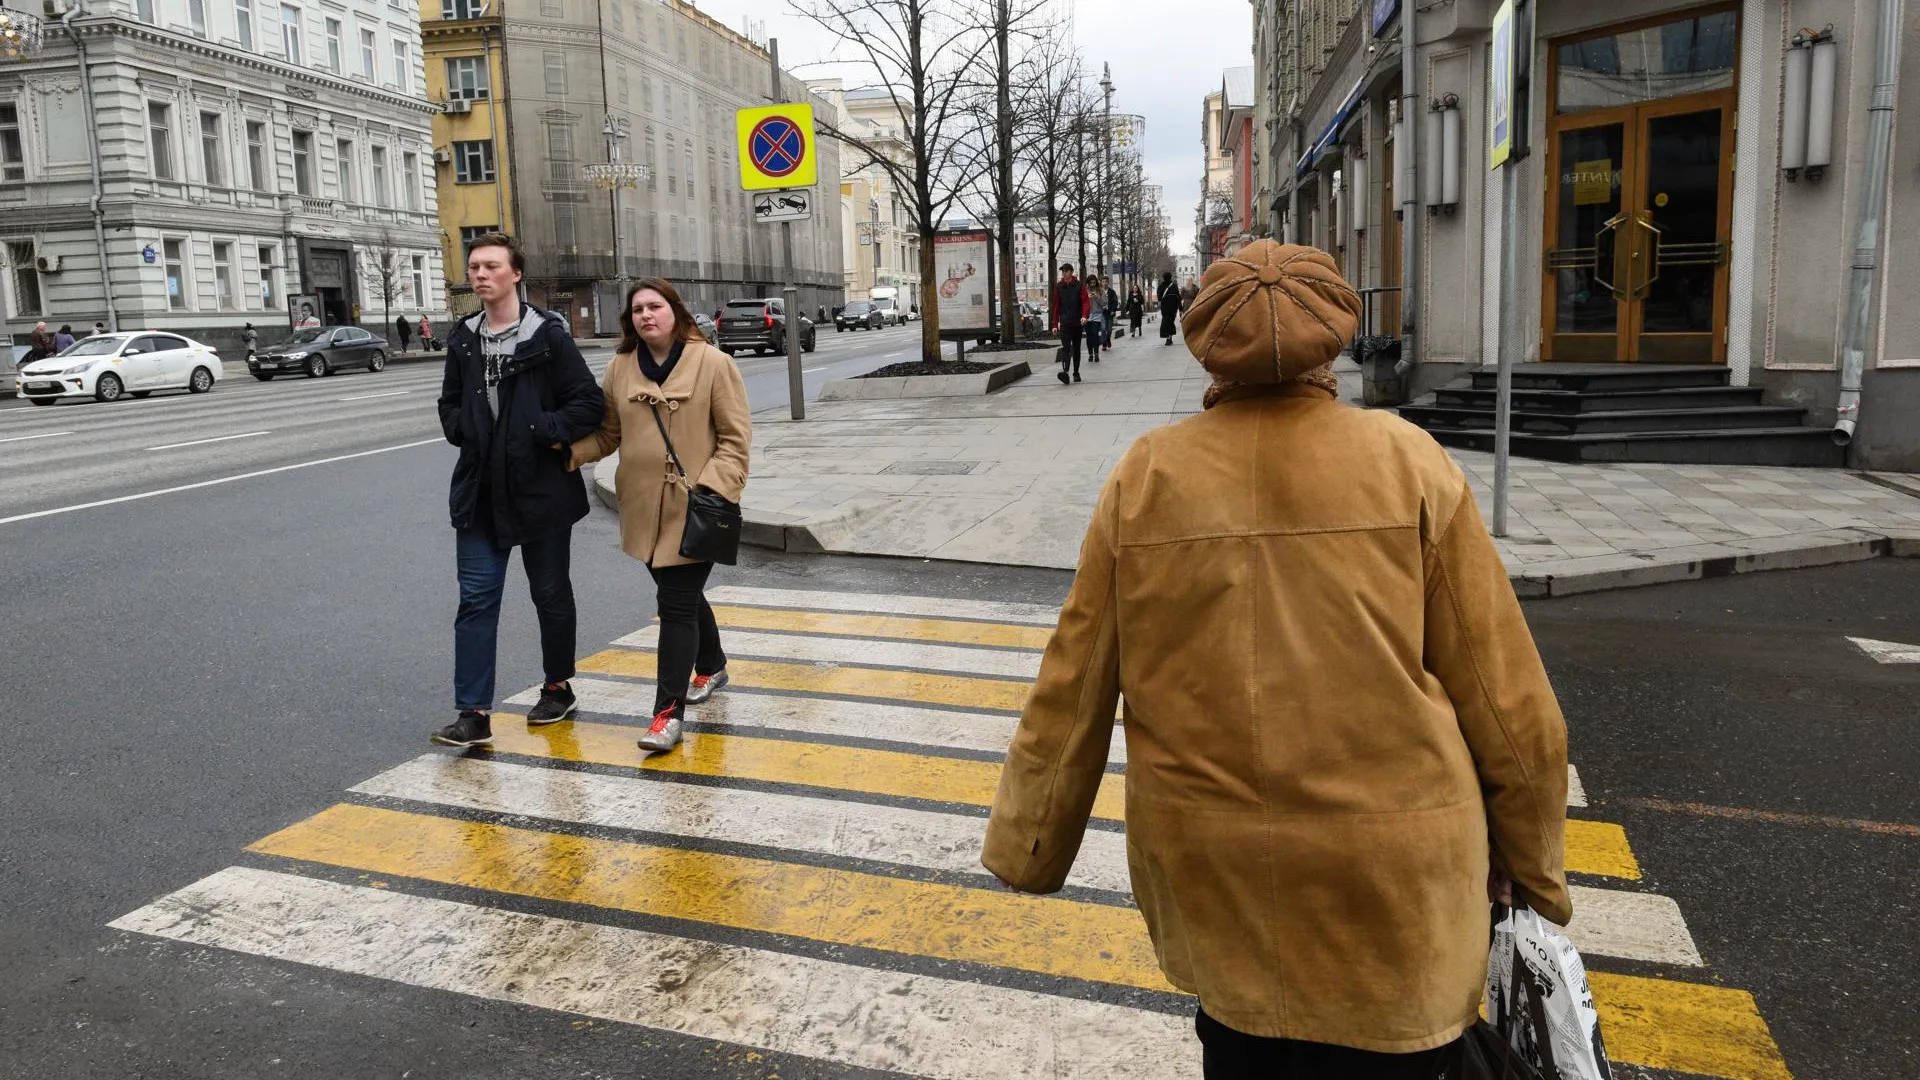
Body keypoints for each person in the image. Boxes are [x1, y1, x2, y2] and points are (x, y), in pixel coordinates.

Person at [983, 239, 1570, 1079]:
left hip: (1218, 878)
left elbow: (1072, 686)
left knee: (1242, 1049)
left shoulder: (1145, 478)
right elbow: (1508, 701)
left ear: (1206, 342)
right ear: (1331, 334)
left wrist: (1030, 844)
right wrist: (1532, 864)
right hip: (1394, 884)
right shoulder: (1408, 464)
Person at [430, 233, 606, 749]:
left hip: (540, 491)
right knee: (476, 601)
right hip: (480, 492)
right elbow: (449, 403)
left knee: (549, 593)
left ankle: (557, 686)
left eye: (490, 266)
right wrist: (465, 428)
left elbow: (587, 404)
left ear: (515, 274)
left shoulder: (547, 335)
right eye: (474, 267)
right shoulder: (464, 337)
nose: (480, 274)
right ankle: (473, 714)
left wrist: (539, 430)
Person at [569, 278, 751, 753]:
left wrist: (712, 490)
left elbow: (735, 441)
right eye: (637, 310)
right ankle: (711, 664)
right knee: (680, 597)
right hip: (642, 506)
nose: (646, 315)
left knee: (674, 604)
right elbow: (609, 435)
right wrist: (567, 455)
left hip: (696, 509)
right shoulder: (620, 367)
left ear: (675, 311)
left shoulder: (714, 364)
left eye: (655, 306)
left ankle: (666, 716)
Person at [1050, 263, 1090, 385]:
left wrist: (1084, 316)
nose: (1064, 273)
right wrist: (1054, 324)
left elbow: (1085, 302)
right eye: (1063, 271)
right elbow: (1056, 306)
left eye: (1066, 271)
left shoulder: (1079, 286)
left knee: (1076, 348)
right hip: (1065, 322)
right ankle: (1065, 372)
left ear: (1071, 272)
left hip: (1077, 322)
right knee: (1066, 347)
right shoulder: (1059, 287)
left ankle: (1076, 372)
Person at [1082, 275, 1106, 363]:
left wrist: (1096, 297)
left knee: (1095, 334)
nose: (1092, 284)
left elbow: (1104, 303)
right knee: (1089, 336)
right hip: (1087, 315)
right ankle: (1090, 354)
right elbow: (1081, 302)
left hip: (1097, 315)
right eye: (1091, 283)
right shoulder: (1084, 290)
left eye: (1094, 282)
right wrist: (1086, 298)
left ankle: (1096, 354)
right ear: (1088, 283)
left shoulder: (1100, 291)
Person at [1157, 271, 1182, 345]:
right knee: (1171, 321)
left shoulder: (1161, 286)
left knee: (1166, 321)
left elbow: (1159, 298)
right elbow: (1178, 297)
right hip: (1173, 308)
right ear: (1170, 277)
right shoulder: (1174, 286)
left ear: (1163, 278)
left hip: (1165, 307)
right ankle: (1170, 337)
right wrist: (1180, 308)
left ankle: (1168, 338)